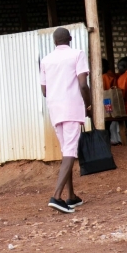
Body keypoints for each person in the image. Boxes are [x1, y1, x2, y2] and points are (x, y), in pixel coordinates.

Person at [39, 28, 91, 214]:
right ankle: (56, 197)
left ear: (54, 42)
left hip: (55, 109)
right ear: (70, 38)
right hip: (72, 108)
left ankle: (71, 196)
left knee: (66, 151)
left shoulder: (46, 60)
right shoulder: (77, 54)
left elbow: (44, 91)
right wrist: (89, 104)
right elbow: (83, 85)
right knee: (69, 151)